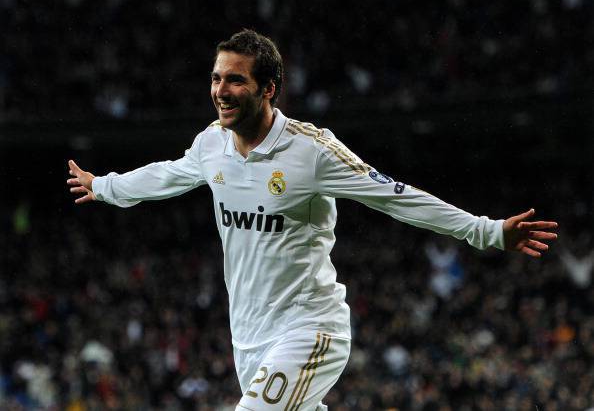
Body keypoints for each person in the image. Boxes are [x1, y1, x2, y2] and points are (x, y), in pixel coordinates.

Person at [67, 29, 558, 410]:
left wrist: (486, 230)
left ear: (269, 89)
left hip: (310, 329)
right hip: (248, 338)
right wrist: (104, 186)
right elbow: (165, 175)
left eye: (236, 80)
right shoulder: (210, 144)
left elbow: (394, 197)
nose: (221, 90)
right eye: (216, 78)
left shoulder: (311, 151)